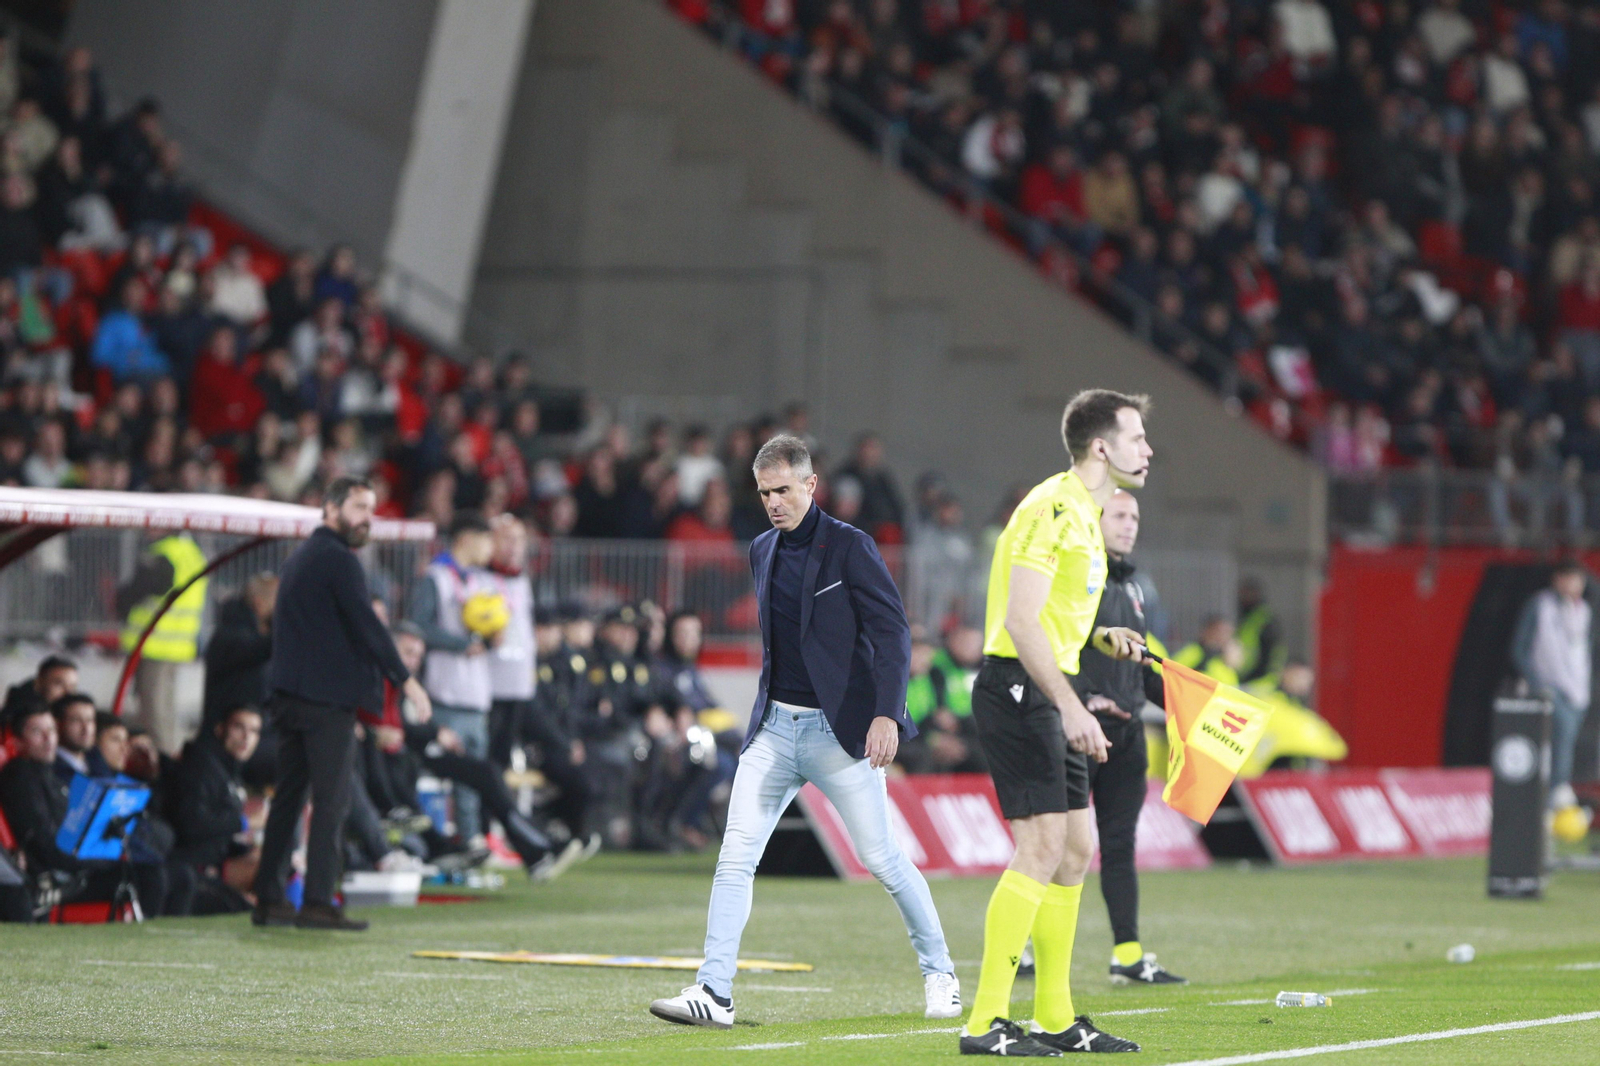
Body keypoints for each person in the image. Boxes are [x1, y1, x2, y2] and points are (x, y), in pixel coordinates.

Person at [648, 434, 959, 1029]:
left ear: (811, 485)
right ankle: (714, 992)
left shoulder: (851, 546)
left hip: (839, 735)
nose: (773, 502)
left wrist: (887, 713)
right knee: (734, 858)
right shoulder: (761, 548)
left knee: (883, 859)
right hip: (773, 730)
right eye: (765, 492)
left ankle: (940, 972)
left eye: (784, 490)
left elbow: (892, 632)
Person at [961, 389, 1151, 1056]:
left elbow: (1048, 616)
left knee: (1073, 851)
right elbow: (1019, 622)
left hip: (1047, 685)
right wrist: (1071, 707)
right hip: (1019, 688)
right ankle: (984, 1022)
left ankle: (1054, 1017)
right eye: (1136, 438)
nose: (1147, 449)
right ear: (1101, 447)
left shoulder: (1087, 514)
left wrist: (1100, 639)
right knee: (1041, 848)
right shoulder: (1053, 507)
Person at [252, 476, 431, 931]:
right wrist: (406, 680)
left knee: (289, 799)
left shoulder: (300, 557)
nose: (367, 518)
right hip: (324, 702)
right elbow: (367, 626)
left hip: (290, 697)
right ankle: (317, 902)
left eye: (371, 508)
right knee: (331, 801)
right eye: (358, 507)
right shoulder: (339, 560)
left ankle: (270, 900)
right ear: (330, 509)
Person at [1070, 490, 1185, 985]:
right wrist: (1081, 700)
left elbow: (1138, 667)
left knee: (1119, 845)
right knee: (1059, 845)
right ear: (1094, 520)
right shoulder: (1075, 576)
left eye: (1134, 516)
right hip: (1079, 730)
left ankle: (1129, 956)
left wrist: (1193, 706)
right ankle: (1025, 949)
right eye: (1118, 514)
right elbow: (1052, 647)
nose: (1129, 524)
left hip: (1127, 734)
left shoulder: (1136, 585)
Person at [407, 511, 498, 844]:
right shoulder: (435, 577)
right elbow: (417, 626)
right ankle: (430, 843)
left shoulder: (479, 580)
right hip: (445, 693)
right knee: (443, 774)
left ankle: (471, 841)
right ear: (466, 538)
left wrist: (493, 638)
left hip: (476, 694)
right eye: (486, 540)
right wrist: (461, 645)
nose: (491, 548)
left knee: (473, 781)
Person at [116, 530, 208, 755]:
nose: (149, 527)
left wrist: (122, 602)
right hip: (177, 645)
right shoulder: (192, 553)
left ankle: (160, 761)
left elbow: (138, 590)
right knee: (164, 711)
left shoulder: (162, 554)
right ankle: (165, 754)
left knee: (153, 712)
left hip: (154, 643)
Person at [1513, 561, 1593, 810]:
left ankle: (1553, 796)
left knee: (1564, 741)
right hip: (1548, 688)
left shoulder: (1584, 611)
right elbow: (1519, 648)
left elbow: (1583, 651)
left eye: (1579, 579)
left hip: (1577, 691)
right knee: (1562, 733)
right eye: (1571, 578)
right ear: (1558, 579)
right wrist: (1536, 683)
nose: (1575, 585)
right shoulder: (1540, 605)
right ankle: (1556, 791)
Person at [171, 706, 262, 915]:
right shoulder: (201, 765)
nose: (246, 737)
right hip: (191, 869)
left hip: (215, 864)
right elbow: (191, 825)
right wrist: (245, 822)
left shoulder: (230, 771)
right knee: (247, 908)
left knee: (275, 864)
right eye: (239, 727)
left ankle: (296, 916)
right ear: (220, 729)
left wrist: (245, 850)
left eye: (254, 731)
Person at [202, 573, 277, 785]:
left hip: (256, 736)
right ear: (259, 603)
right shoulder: (232, 637)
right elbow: (260, 649)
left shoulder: (248, 634)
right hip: (228, 745)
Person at [485, 514, 535, 770]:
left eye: (519, 539)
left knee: (503, 758)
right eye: (507, 539)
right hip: (490, 684)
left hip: (519, 682)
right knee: (487, 758)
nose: (514, 546)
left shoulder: (523, 580)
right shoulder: (479, 578)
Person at [1, 655, 77, 732]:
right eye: (59, 684)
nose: (69, 693)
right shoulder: (15, 718)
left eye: (72, 686)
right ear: (39, 682)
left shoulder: (61, 713)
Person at [1235, 577, 1284, 685]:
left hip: (1259, 679)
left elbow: (1268, 652)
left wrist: (1253, 676)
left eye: (1246, 593)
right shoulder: (1247, 616)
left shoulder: (1263, 618)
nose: (1242, 597)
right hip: (1250, 676)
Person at [1175, 615, 1242, 685]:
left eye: (1227, 633)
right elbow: (1175, 671)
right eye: (1218, 632)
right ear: (1207, 631)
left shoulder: (1226, 656)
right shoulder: (1194, 651)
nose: (1222, 637)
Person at [50, 693, 98, 784]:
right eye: (76, 720)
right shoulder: (51, 768)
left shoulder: (96, 759)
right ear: (57, 724)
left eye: (90, 720)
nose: (86, 729)